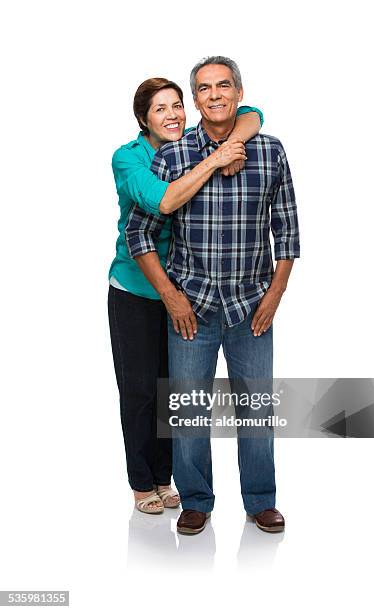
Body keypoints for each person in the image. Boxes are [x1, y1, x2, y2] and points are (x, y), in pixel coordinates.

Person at [125, 57, 300, 533]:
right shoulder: (172, 158)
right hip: (191, 310)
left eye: (224, 85)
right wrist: (171, 296)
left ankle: (260, 498)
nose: (215, 94)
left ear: (240, 93)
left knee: (257, 412)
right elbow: (139, 234)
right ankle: (197, 499)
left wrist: (276, 294)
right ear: (195, 99)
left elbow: (287, 232)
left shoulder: (270, 151)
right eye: (204, 88)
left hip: (251, 308)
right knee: (187, 413)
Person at [108, 76, 263, 514]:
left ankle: (166, 476)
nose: (173, 114)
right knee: (140, 390)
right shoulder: (130, 158)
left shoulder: (191, 146)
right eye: (160, 109)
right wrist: (218, 158)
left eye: (177, 105)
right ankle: (143, 482)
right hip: (138, 290)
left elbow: (253, 114)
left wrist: (230, 141)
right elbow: (164, 202)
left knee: (175, 392)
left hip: (189, 288)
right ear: (143, 118)